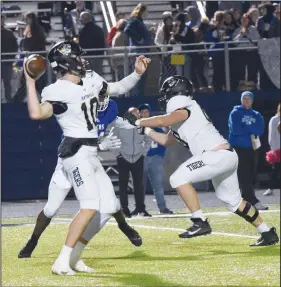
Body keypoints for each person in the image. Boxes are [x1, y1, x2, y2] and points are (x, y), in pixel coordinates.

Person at [23, 40, 150, 275]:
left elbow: (117, 88)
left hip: (92, 151)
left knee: (109, 206)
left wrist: (136, 74)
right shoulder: (56, 90)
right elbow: (36, 112)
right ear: (66, 62)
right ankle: (61, 262)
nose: (83, 60)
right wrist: (30, 81)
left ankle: (74, 257)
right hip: (76, 151)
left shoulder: (91, 79)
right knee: (90, 205)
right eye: (78, 56)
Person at [124, 75, 279, 247]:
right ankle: (267, 232)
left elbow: (163, 120)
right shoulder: (185, 116)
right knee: (234, 202)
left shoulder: (182, 103)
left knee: (178, 178)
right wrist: (145, 129)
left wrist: (138, 121)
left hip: (215, 155)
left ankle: (200, 221)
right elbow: (167, 141)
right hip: (225, 156)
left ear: (175, 92)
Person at [18, 99, 142, 261]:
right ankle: (33, 241)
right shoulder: (77, 111)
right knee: (51, 209)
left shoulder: (109, 108)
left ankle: (124, 225)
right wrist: (99, 144)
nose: (101, 100)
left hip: (90, 162)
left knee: (111, 203)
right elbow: (73, 142)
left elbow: (117, 121)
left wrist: (137, 122)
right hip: (69, 160)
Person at [228, 91, 268, 210]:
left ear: (252, 100)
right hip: (238, 148)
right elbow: (236, 130)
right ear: (241, 100)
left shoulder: (257, 114)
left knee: (250, 175)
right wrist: (251, 128)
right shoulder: (235, 113)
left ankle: (245, 199)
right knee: (242, 174)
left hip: (252, 148)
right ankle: (250, 199)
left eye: (249, 99)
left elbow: (260, 130)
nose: (246, 101)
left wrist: (247, 128)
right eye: (244, 98)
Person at [113, 107, 152, 217]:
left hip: (138, 158)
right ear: (128, 114)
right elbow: (112, 139)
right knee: (123, 185)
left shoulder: (142, 125)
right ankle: (124, 209)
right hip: (123, 158)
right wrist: (118, 154)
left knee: (139, 185)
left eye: (138, 113)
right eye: (134, 113)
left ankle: (140, 209)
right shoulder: (119, 125)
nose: (137, 115)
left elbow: (148, 139)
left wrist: (143, 153)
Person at [139, 104, 173, 214]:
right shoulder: (135, 128)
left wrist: (160, 155)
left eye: (146, 112)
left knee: (158, 184)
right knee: (140, 186)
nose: (144, 114)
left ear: (149, 113)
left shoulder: (157, 127)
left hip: (155, 158)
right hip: (141, 159)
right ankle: (140, 209)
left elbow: (165, 141)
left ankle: (162, 208)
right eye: (142, 112)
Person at [13, 12, 47, 103]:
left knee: (33, 83)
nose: (26, 20)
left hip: (35, 60)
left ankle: (16, 101)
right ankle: (17, 100)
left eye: (27, 18)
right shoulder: (31, 29)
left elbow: (33, 44)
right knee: (34, 83)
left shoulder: (36, 30)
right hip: (32, 59)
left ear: (32, 19)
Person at [124, 3, 152, 97]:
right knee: (138, 78)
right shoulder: (135, 20)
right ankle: (137, 98)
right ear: (142, 11)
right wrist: (139, 39)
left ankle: (139, 97)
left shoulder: (139, 21)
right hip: (138, 53)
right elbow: (127, 30)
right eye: (146, 11)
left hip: (142, 52)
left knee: (142, 78)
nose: (147, 13)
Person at [154, 12, 176, 86]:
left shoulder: (175, 27)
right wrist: (163, 47)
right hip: (166, 54)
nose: (169, 22)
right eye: (167, 20)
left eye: (170, 19)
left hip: (176, 54)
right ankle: (162, 88)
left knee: (177, 70)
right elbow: (157, 41)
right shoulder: (161, 30)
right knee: (164, 72)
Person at [1, 14, 18, 103]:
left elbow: (15, 46)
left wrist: (11, 58)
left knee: (7, 83)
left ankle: (9, 100)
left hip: (7, 62)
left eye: (2, 20)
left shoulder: (9, 33)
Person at [264, 103, 280, 196]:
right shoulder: (274, 120)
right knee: (275, 169)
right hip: (278, 149)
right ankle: (270, 188)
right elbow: (271, 135)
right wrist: (274, 149)